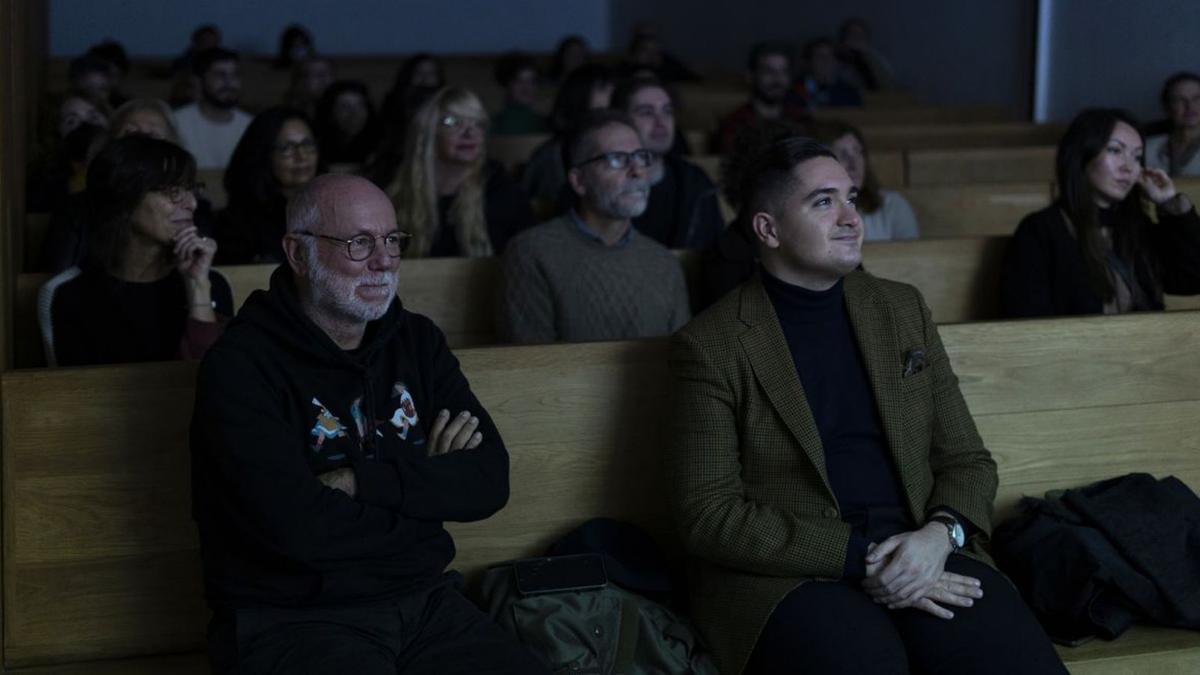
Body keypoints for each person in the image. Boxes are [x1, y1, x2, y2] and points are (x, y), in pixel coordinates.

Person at [668, 135, 1067, 675]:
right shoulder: (713, 343)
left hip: (923, 551)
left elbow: (967, 461)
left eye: (852, 198)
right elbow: (708, 514)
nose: (851, 217)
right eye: (823, 201)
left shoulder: (901, 309)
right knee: (865, 660)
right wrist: (863, 560)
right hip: (794, 576)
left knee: (1008, 657)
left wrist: (938, 536)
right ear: (768, 229)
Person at [191, 173, 548, 674]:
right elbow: (296, 528)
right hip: (292, 617)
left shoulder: (418, 342)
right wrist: (425, 492)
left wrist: (360, 482)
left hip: (425, 602)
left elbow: (488, 481)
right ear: (297, 254)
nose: (383, 260)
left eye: (391, 241)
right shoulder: (242, 364)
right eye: (359, 243)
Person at [498, 110, 690, 344]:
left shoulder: (664, 262)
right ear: (579, 181)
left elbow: (680, 358)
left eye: (641, 156)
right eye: (617, 159)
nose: (637, 171)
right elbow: (530, 366)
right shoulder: (531, 252)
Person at [38, 135, 231, 367]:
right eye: (173, 191)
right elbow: (76, 395)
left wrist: (198, 287)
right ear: (125, 200)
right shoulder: (68, 294)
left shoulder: (211, 284)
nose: (192, 203)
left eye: (191, 189)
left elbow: (219, 381)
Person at [1001, 108, 1200, 317]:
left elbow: (1191, 280)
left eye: (1137, 157)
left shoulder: (1138, 226)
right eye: (1115, 151)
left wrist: (1169, 203)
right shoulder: (1041, 230)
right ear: (1082, 156)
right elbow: (1026, 319)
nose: (1129, 167)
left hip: (1146, 345)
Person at [381, 87, 533, 257]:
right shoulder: (394, 188)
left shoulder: (502, 190)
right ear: (429, 131)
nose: (470, 133)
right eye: (452, 122)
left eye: (478, 124)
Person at [613, 76, 724, 248]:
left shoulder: (696, 182)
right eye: (647, 112)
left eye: (667, 111)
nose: (661, 122)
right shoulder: (604, 184)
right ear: (621, 120)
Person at [216, 107, 319, 264]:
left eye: (307, 144)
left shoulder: (332, 206)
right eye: (287, 148)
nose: (301, 156)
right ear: (263, 154)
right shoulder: (236, 222)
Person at [520, 63, 614, 216]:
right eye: (603, 88)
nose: (612, 93)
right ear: (581, 94)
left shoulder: (616, 142)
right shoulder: (551, 155)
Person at [816, 121, 918, 240]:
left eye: (858, 152)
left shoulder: (892, 205)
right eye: (843, 154)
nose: (854, 164)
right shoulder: (816, 211)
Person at [715, 42, 811, 154]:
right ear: (751, 76)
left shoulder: (800, 120)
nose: (777, 79)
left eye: (783, 72)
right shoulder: (734, 124)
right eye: (769, 71)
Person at [173, 47, 254, 169]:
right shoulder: (176, 122)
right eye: (219, 75)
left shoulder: (251, 125)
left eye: (235, 75)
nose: (229, 83)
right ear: (199, 81)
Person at [315, 79, 382, 166]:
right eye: (345, 107)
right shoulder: (317, 146)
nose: (354, 114)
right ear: (330, 113)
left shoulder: (380, 147)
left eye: (360, 105)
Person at [1145, 72, 1200, 176]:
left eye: (1197, 98)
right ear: (1167, 107)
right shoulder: (1147, 148)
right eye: (1179, 100)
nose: (1189, 106)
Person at [490, 52, 547, 136]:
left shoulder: (546, 122)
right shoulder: (494, 124)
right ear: (507, 84)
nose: (526, 87)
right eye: (518, 81)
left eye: (532, 82)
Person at [799, 38, 864, 107]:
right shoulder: (799, 89)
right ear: (810, 62)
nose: (826, 61)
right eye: (819, 56)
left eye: (830, 56)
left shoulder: (849, 93)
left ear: (836, 61)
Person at [838, 17, 896, 92]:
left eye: (860, 36)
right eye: (852, 35)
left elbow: (890, 85)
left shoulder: (876, 60)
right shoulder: (836, 61)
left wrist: (868, 58)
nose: (856, 39)